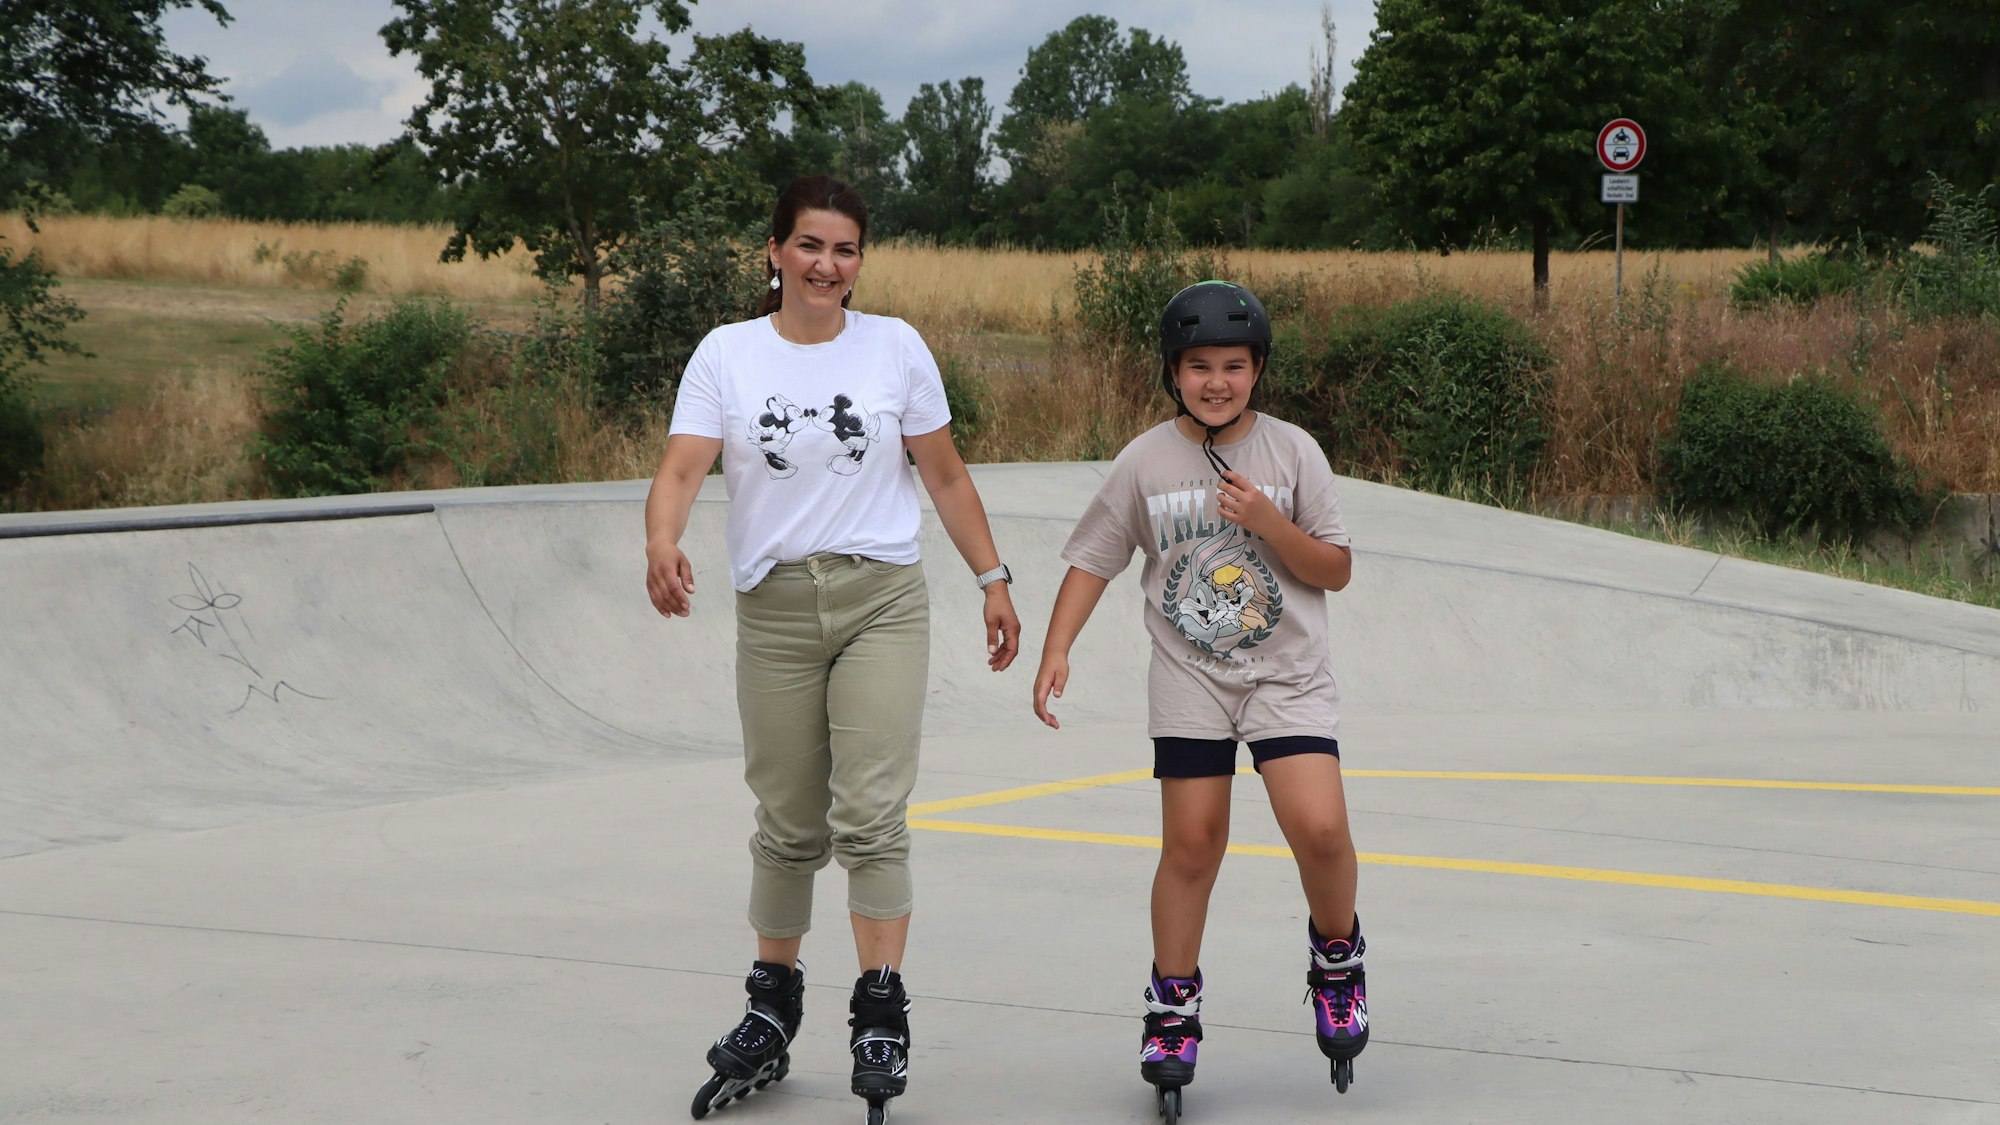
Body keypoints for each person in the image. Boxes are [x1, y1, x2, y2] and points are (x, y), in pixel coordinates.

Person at [645, 174, 1020, 1121]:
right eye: (809, 245)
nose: (826, 264)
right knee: (786, 819)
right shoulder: (727, 353)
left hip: (880, 598)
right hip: (774, 609)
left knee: (871, 815)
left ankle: (880, 1010)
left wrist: (992, 577)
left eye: (844, 249)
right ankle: (771, 1007)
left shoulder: (895, 347)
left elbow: (945, 474)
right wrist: (661, 539)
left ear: (860, 262)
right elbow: (682, 467)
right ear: (775, 251)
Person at [1031, 281, 1368, 1113]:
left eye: (1234, 365)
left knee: (1321, 829)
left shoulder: (1293, 453)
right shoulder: (1144, 461)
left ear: (1258, 370)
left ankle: (1338, 960)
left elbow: (1335, 569)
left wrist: (1270, 523)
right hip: (1190, 677)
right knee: (1191, 843)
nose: (1217, 381)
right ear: (1172, 372)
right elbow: (1095, 558)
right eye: (1199, 366)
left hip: (1286, 676)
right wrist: (1057, 646)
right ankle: (1172, 1006)